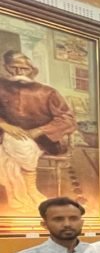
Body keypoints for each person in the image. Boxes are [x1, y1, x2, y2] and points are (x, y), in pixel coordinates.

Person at [0, 51, 76, 211]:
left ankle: (29, 189)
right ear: (6, 67)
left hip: (44, 140)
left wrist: (40, 130)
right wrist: (3, 124)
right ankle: (21, 193)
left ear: (32, 70)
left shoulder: (47, 92)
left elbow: (67, 119)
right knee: (12, 142)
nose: (19, 72)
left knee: (20, 143)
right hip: (6, 134)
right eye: (14, 67)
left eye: (24, 68)